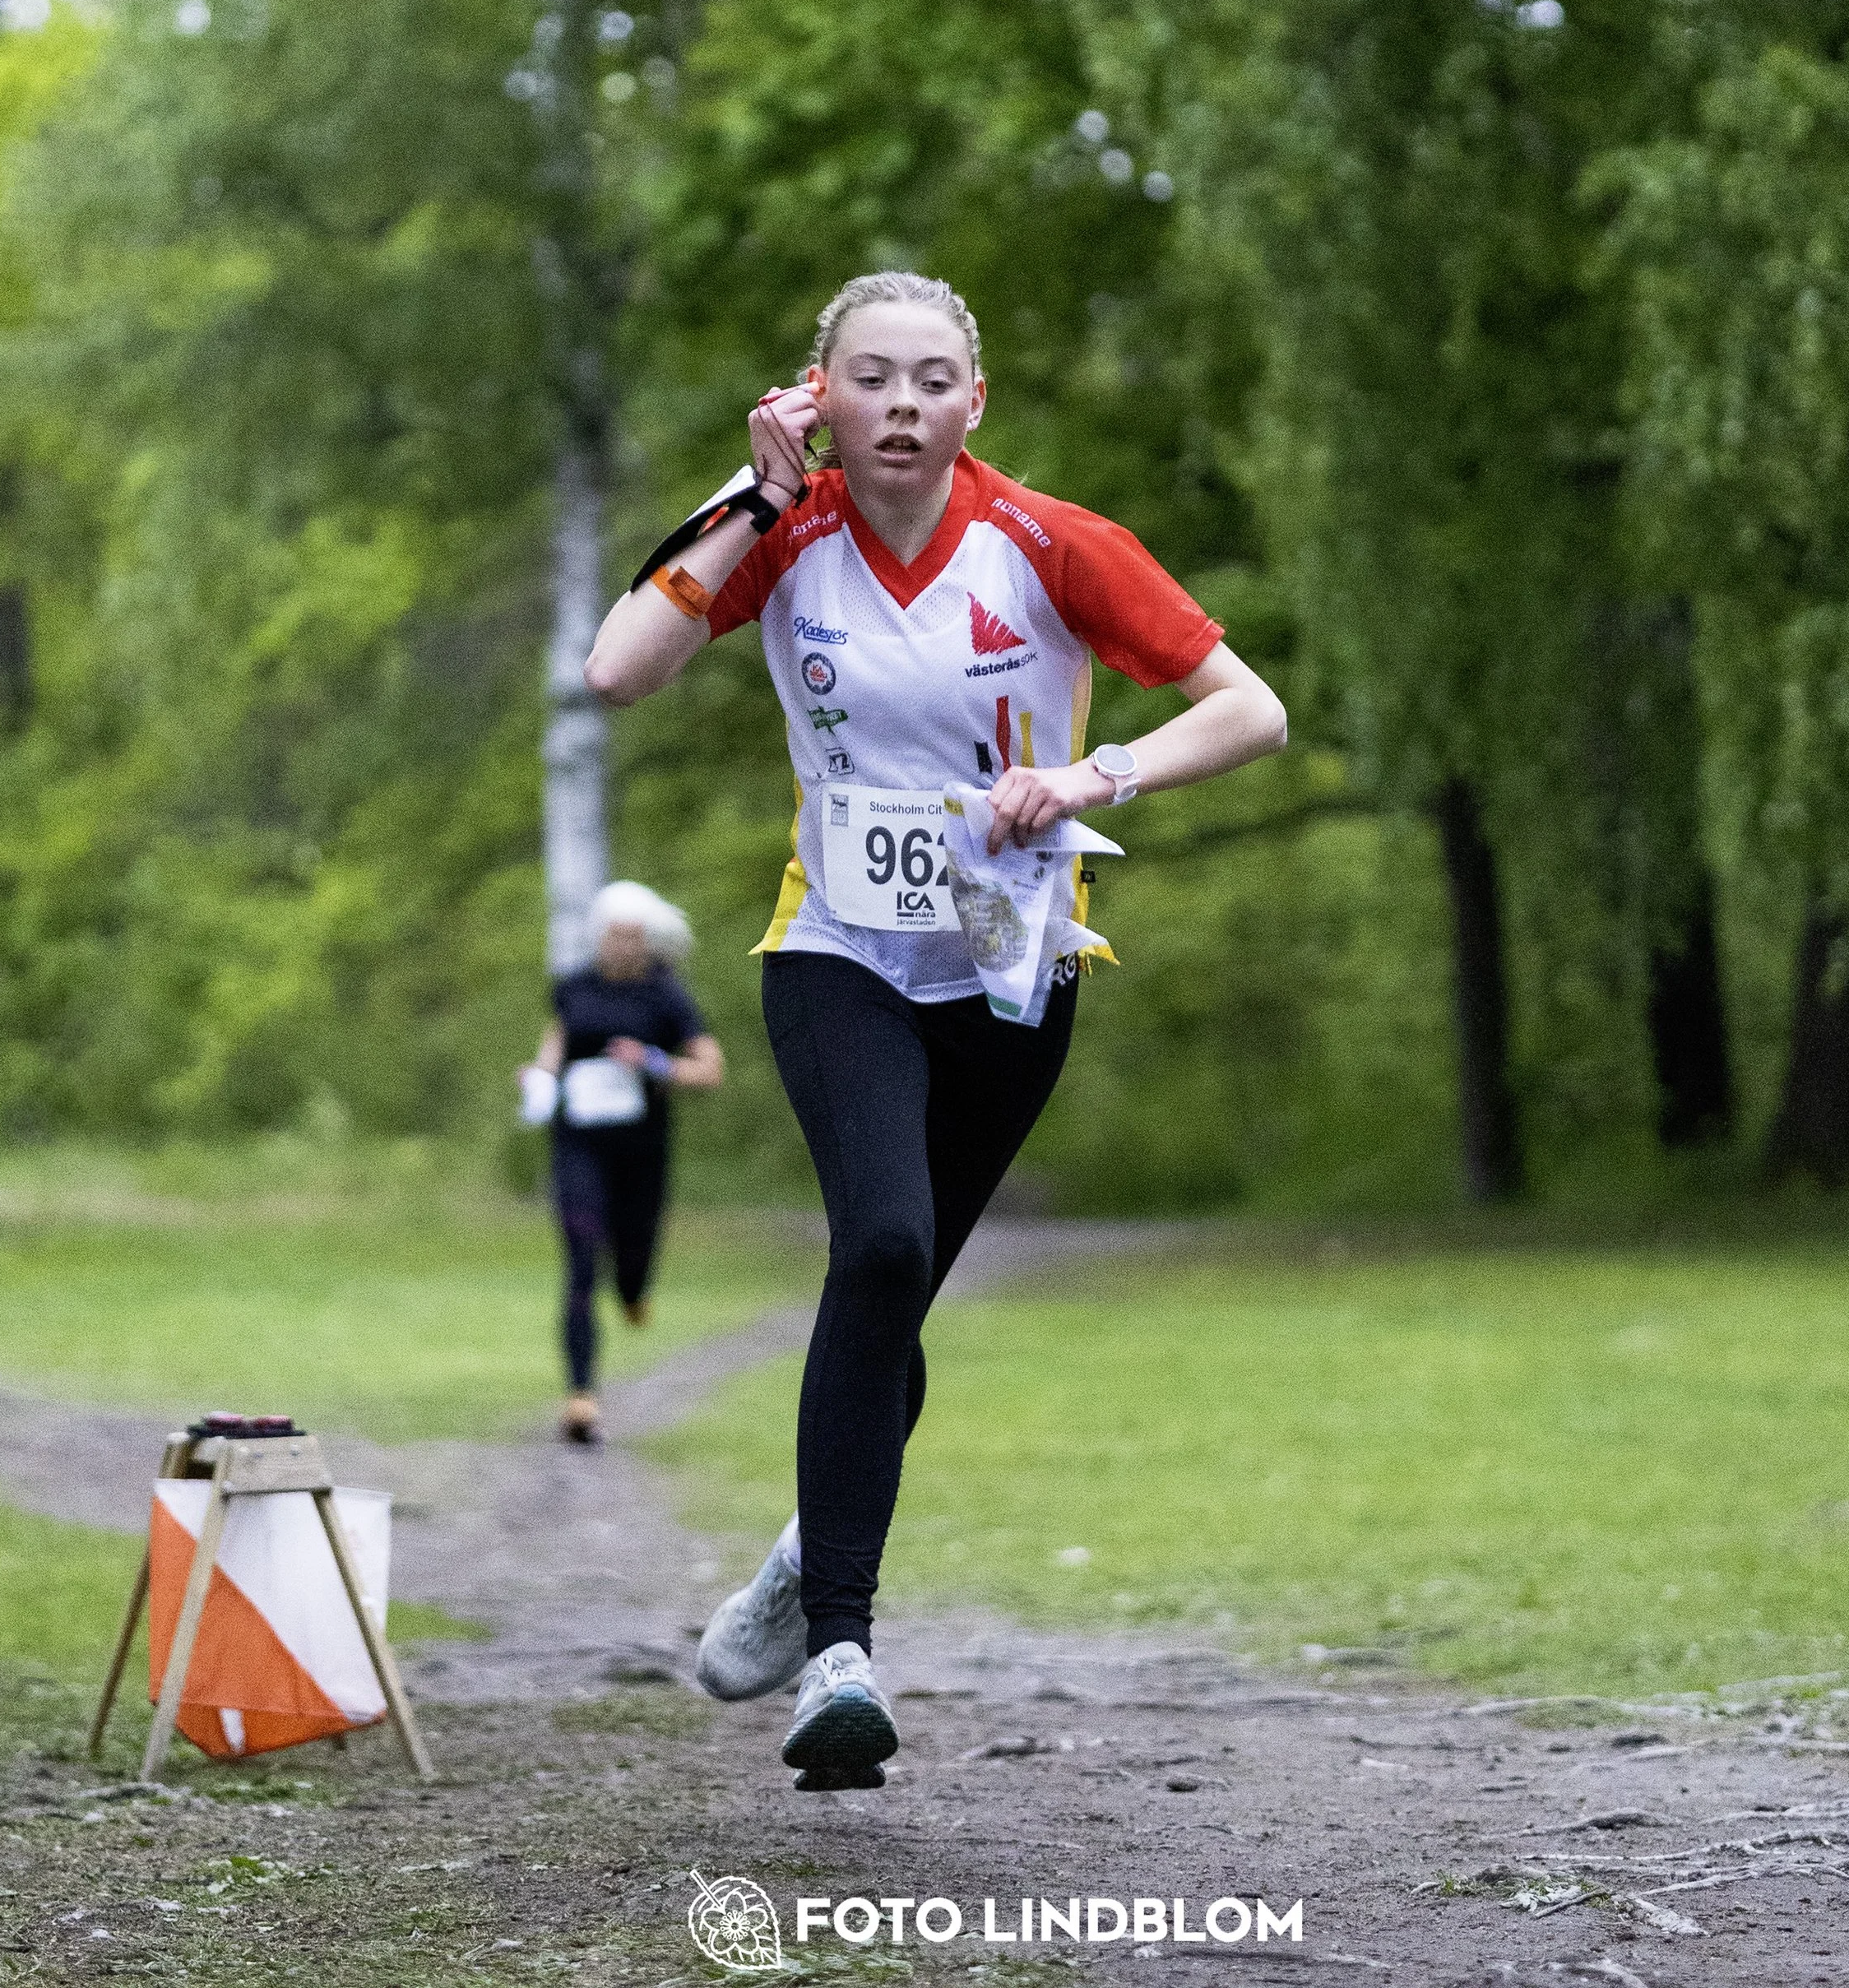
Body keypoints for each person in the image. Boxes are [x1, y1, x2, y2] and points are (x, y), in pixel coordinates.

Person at [584, 271, 1286, 1786]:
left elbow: (1251, 709)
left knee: (886, 1307)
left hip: (1015, 974)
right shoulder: (784, 532)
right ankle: (841, 1649)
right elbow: (614, 671)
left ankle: (795, 1560)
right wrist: (747, 504)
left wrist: (1098, 782)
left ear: (976, 405)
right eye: (871, 381)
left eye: (931, 383)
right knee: (883, 1247)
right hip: (835, 953)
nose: (901, 407)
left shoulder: (1046, 543)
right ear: (817, 397)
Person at [524, 879, 725, 1445]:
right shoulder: (574, 988)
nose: (622, 946)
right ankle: (581, 1397)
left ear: (649, 940)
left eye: (633, 937)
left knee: (631, 1266)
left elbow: (710, 1069)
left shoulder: (666, 997)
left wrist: (655, 1062)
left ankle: (635, 1293)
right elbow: (556, 1047)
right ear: (598, 936)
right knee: (582, 1259)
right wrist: (539, 1079)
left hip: (641, 1151)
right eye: (613, 935)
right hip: (579, 1143)